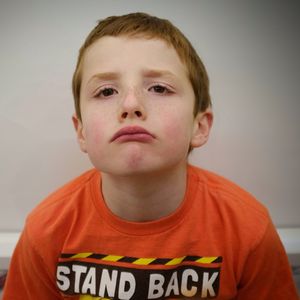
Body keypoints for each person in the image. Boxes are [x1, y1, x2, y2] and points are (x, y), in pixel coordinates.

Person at [3, 12, 298, 300]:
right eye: (106, 91)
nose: (131, 104)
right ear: (81, 132)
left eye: (159, 87)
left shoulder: (248, 229)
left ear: (199, 126)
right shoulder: (45, 232)